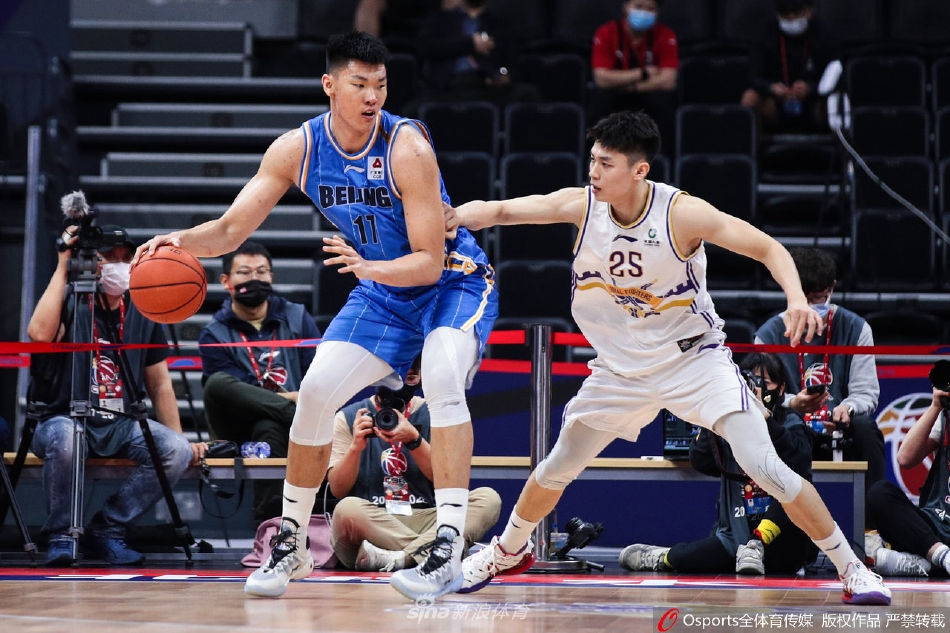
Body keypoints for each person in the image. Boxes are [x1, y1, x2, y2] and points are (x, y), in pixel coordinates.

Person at [450, 110, 890, 604]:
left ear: (639, 170)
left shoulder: (681, 214)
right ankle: (506, 552)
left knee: (767, 466)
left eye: (606, 164)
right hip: (620, 370)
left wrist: (794, 299)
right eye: (592, 160)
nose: (593, 172)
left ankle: (852, 569)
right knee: (556, 467)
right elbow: (503, 210)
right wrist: (455, 215)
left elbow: (767, 248)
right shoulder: (581, 205)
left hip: (693, 363)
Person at [133, 31, 498, 602]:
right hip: (382, 291)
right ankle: (293, 542)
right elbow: (231, 230)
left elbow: (429, 262)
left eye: (381, 85)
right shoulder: (296, 150)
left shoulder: (407, 148)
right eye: (359, 84)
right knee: (315, 393)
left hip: (451, 282)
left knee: (443, 378)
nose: (372, 96)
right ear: (329, 85)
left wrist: (368, 267)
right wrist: (176, 241)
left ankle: (448, 546)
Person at [27, 223, 205, 566]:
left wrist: (179, 437)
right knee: (67, 438)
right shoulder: (71, 298)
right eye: (109, 256)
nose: (119, 265)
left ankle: (107, 529)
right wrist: (64, 267)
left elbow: (160, 384)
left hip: (120, 422)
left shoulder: (144, 306)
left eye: (126, 257)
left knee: (176, 450)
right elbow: (39, 334)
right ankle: (62, 534)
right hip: (62, 417)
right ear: (91, 261)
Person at [619, 353, 817, 576]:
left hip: (784, 542)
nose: (755, 387)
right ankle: (662, 557)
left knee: (795, 486)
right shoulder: (730, 423)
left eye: (764, 382)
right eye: (749, 380)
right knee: (690, 557)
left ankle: (756, 544)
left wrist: (764, 418)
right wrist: (714, 416)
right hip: (737, 535)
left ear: (781, 389)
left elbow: (801, 461)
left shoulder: (789, 421)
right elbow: (701, 461)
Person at [328, 357, 501, 571]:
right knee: (346, 509)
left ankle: (401, 558)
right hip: (372, 521)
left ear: (420, 377)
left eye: (410, 376)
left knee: (488, 499)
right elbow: (338, 489)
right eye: (393, 376)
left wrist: (414, 440)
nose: (400, 383)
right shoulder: (348, 418)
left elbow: (448, 479)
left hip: (425, 516)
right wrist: (355, 448)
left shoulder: (435, 414)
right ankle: (437, 551)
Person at [755, 246, 886, 527]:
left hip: (838, 430)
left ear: (832, 288)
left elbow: (866, 392)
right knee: (779, 425)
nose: (815, 307)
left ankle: (872, 529)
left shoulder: (856, 328)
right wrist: (792, 403)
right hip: (792, 431)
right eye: (807, 300)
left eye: (821, 298)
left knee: (865, 428)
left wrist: (847, 408)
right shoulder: (767, 335)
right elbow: (758, 396)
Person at [199, 240, 321, 519]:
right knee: (217, 384)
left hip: (283, 427)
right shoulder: (213, 333)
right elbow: (240, 395)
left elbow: (316, 373)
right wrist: (294, 402)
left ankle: (270, 526)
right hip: (240, 425)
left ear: (271, 277)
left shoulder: (297, 317)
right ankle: (299, 414)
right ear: (226, 281)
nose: (254, 279)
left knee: (269, 426)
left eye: (261, 272)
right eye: (245, 272)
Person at [865, 387, 950, 578]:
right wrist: (936, 406)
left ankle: (926, 563)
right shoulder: (945, 416)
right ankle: (941, 556)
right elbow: (905, 458)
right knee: (880, 493)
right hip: (934, 526)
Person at [410, 0, 539, 115]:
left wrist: (506, 76)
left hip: (485, 85)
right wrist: (470, 45)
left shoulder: (498, 23)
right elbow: (425, 48)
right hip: (447, 86)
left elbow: (513, 62)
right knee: (410, 112)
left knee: (527, 93)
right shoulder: (441, 19)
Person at [740, 0, 839, 133]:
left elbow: (836, 75)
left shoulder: (824, 34)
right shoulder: (765, 35)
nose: (791, 17)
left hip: (814, 101)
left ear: (810, 12)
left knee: (839, 102)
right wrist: (771, 87)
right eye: (786, 14)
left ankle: (843, 145)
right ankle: (750, 145)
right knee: (750, 98)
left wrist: (811, 88)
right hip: (776, 102)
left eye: (797, 13)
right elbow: (754, 76)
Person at [588, 0, 678, 146]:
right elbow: (601, 79)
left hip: (646, 92)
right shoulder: (606, 32)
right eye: (639, 6)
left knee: (664, 99)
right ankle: (595, 152)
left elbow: (668, 81)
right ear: (626, 7)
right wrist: (643, 74)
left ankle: (662, 155)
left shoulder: (665, 34)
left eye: (650, 9)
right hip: (614, 93)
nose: (644, 12)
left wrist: (631, 87)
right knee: (600, 97)